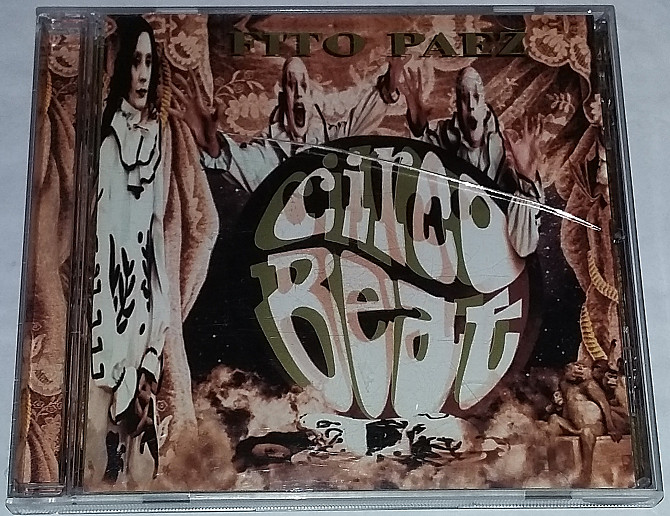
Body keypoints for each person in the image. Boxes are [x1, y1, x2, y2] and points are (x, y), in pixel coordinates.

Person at [87, 16, 169, 486]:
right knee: (96, 466)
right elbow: (98, 245)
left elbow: (155, 248)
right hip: (102, 323)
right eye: (135, 62)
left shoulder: (157, 139)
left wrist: (153, 350)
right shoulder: (103, 141)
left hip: (139, 317)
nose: (143, 74)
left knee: (141, 476)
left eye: (149, 63)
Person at [171, 56, 405, 192]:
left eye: (303, 86)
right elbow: (240, 162)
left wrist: (387, 91)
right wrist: (213, 144)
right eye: (292, 86)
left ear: (311, 98)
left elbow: (357, 122)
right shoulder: (268, 152)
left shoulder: (329, 138)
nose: (299, 94)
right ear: (284, 99)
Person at [402, 66, 544, 257]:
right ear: (457, 105)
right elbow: (423, 155)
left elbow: (524, 246)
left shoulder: (507, 156)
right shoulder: (446, 139)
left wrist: (528, 180)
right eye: (464, 98)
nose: (470, 105)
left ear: (484, 106)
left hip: (493, 258)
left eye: (476, 96)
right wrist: (417, 124)